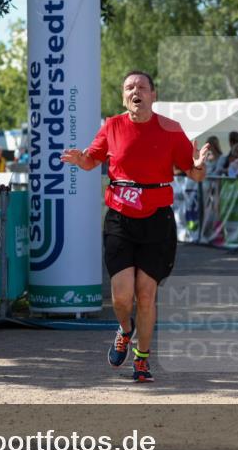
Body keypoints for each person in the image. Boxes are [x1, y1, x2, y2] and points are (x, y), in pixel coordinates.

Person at [61, 70, 211, 383]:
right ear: (123, 96)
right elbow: (92, 160)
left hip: (157, 218)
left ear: (153, 95)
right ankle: (124, 330)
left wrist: (199, 166)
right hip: (119, 216)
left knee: (145, 296)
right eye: (129, 87)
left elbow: (194, 174)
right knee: (120, 298)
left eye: (141, 87)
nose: (135, 91)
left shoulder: (171, 129)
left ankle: (141, 359)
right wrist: (80, 159)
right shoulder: (112, 126)